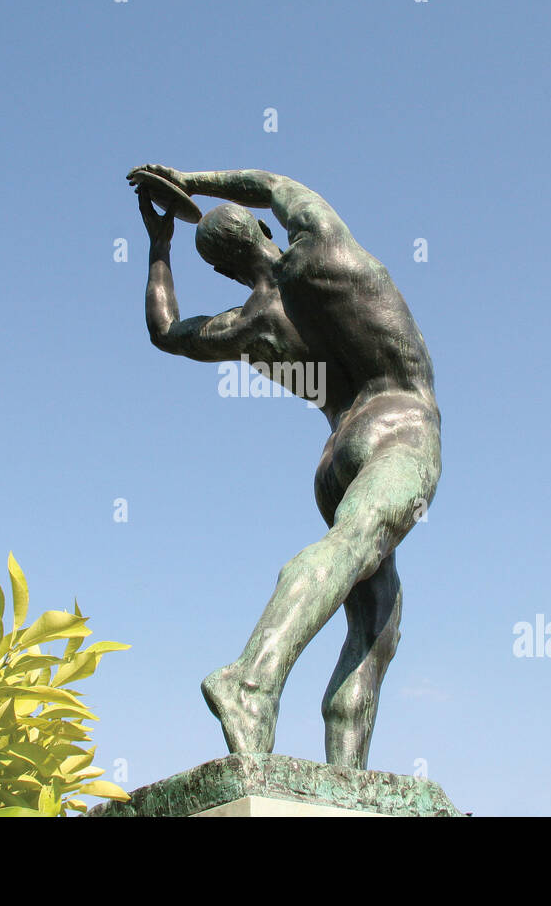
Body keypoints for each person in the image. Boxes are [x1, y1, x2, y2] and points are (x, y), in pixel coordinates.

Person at [130, 165, 441, 769]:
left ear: (223, 270)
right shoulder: (323, 245)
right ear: (266, 227)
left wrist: (160, 249)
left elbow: (166, 333)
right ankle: (250, 681)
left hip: (335, 458)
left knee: (379, 622)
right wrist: (192, 180)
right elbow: (272, 181)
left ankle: (346, 779)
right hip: (402, 422)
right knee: (354, 548)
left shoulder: (249, 325)